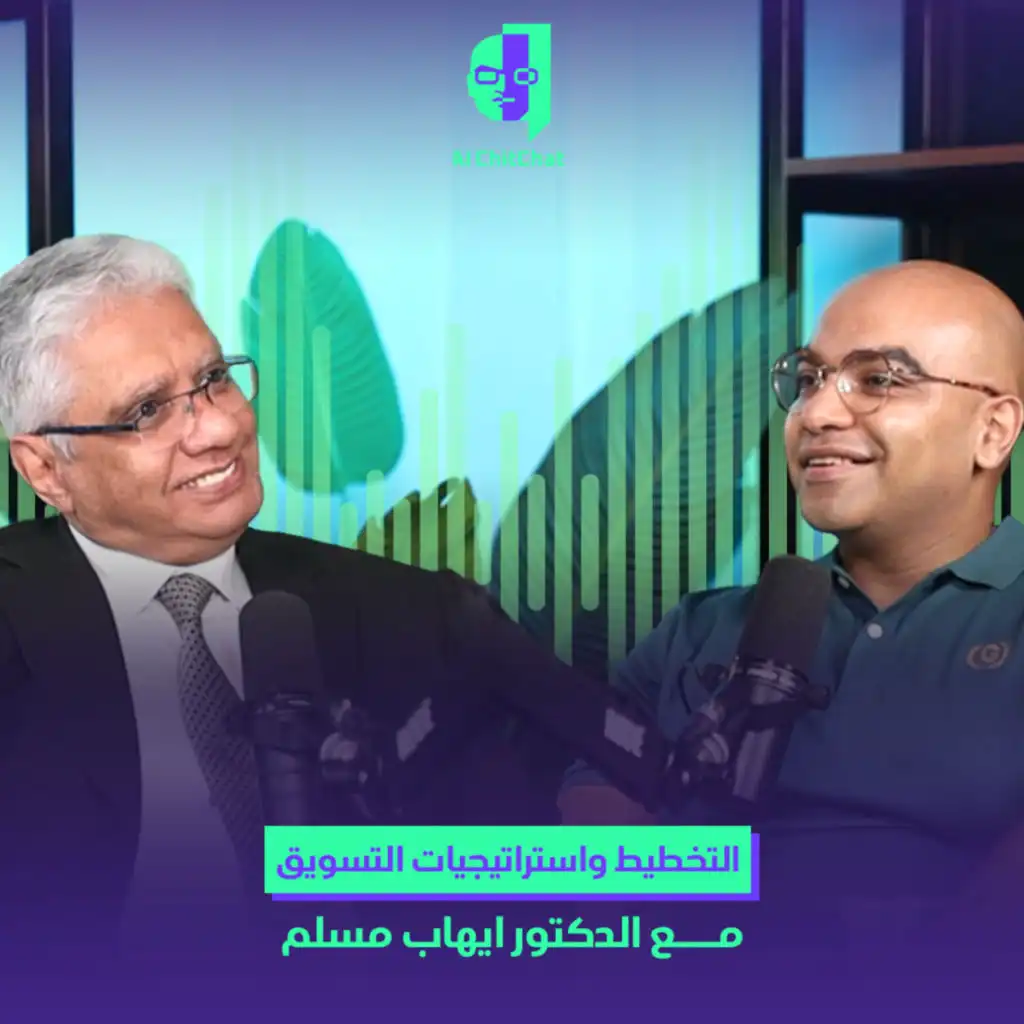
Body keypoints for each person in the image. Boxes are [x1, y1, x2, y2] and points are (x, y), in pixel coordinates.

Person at [0, 234, 561, 963]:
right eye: (147, 411)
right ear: (45, 468)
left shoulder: (415, 617)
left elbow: (515, 896)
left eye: (214, 380)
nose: (220, 428)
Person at [559, 260, 1024, 950]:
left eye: (879, 380)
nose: (817, 414)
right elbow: (593, 793)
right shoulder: (702, 627)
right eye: (808, 379)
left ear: (993, 430)